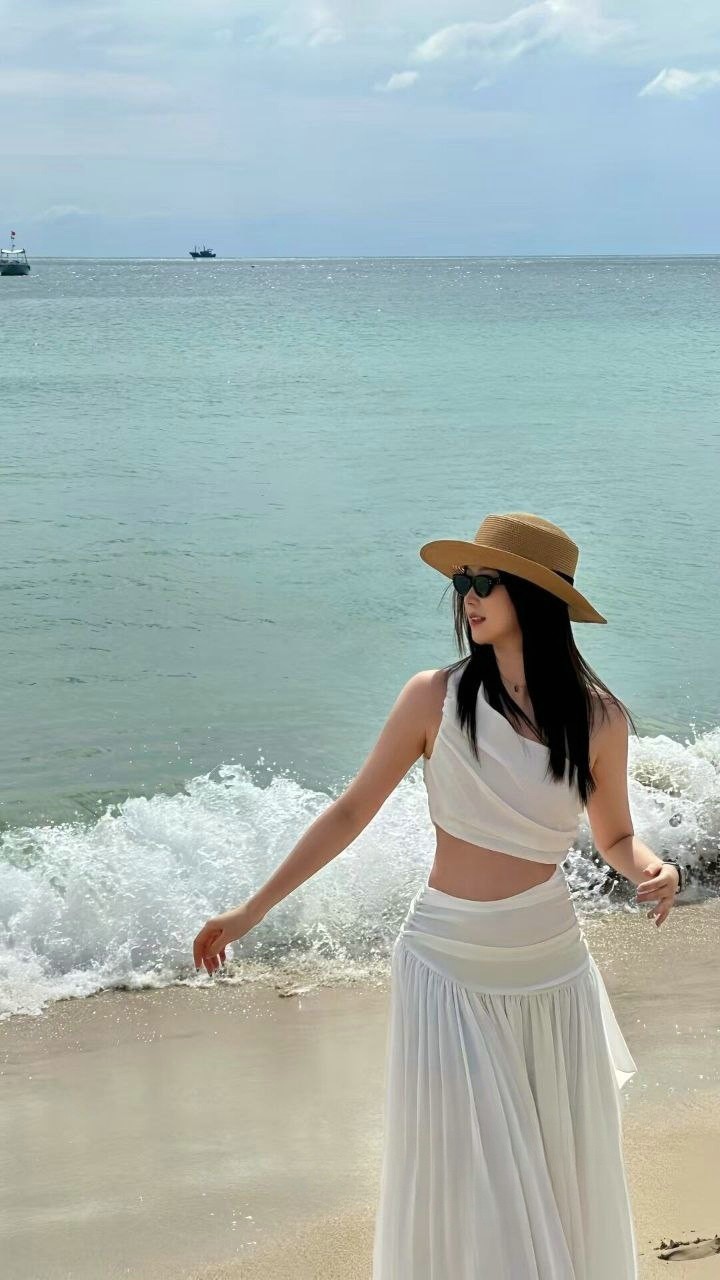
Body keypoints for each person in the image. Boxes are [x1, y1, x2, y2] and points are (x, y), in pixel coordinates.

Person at [193, 510, 681, 1279]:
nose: (468, 598)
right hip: (446, 963)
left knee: (554, 1169)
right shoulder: (434, 698)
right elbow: (351, 811)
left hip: (550, 967)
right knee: (468, 1178)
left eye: (484, 581)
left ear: (534, 595)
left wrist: (654, 868)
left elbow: (615, 834)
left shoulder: (599, 719)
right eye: (462, 582)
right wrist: (251, 910)